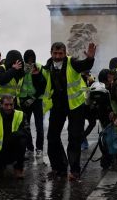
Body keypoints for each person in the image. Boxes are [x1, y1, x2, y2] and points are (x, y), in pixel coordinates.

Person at [43, 42, 96, 181]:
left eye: (60, 53)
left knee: (74, 138)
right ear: (51, 53)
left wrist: (90, 58)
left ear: (65, 53)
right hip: (58, 105)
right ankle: (58, 168)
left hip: (75, 105)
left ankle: (74, 170)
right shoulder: (48, 66)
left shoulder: (72, 62)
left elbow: (84, 65)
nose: (57, 56)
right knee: (52, 137)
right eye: (55, 53)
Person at [0, 94, 29, 179]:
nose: (9, 107)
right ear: (1, 104)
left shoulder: (21, 115)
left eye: (11, 105)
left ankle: (18, 168)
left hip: (13, 148)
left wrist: (14, 135)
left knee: (22, 140)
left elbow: (26, 132)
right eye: (6, 105)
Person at [18, 50, 46, 157]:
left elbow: (43, 85)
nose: (30, 60)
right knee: (26, 125)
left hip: (36, 100)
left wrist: (37, 74)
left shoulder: (39, 67)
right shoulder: (20, 68)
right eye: (28, 58)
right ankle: (29, 147)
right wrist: (22, 72)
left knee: (39, 126)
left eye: (31, 58)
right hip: (24, 99)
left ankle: (39, 148)